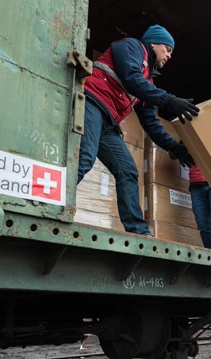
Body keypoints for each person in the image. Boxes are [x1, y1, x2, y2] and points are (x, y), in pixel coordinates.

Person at [78, 24, 199, 235]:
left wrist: (174, 147)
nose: (169, 55)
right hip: (93, 101)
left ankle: (138, 231)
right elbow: (131, 78)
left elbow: (151, 123)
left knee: (127, 170)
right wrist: (169, 100)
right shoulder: (132, 47)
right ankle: (53, 203)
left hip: (109, 122)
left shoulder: (148, 81)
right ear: (153, 43)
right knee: (85, 156)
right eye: (167, 49)